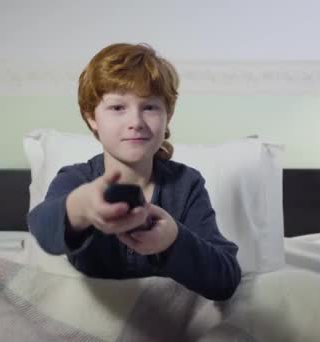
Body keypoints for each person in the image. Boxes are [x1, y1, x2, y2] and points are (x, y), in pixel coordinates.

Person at [27, 43, 241, 301]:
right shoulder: (76, 179)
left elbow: (226, 279)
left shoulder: (186, 184)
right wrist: (81, 207)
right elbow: (43, 231)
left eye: (150, 107)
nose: (136, 123)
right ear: (92, 118)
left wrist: (173, 239)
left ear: (167, 116)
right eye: (117, 108)